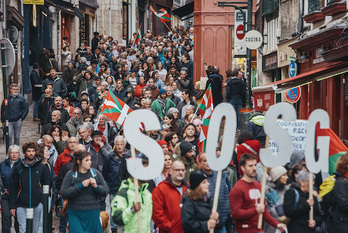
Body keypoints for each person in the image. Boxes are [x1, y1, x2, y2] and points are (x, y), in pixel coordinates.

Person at [229, 154, 287, 233]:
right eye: (250, 166)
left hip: (258, 230)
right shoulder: (237, 189)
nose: (254, 168)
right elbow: (236, 214)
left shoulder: (259, 186)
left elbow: (264, 211)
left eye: (255, 165)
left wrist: (277, 224)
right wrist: (255, 210)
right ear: (242, 168)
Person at [61, 151, 109, 233]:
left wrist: (96, 187)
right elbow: (64, 193)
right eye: (86, 160)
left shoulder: (95, 173)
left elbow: (105, 191)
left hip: (93, 212)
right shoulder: (71, 174)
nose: (90, 162)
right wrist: (80, 186)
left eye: (90, 160)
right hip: (75, 212)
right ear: (79, 161)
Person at [10, 142, 50, 233]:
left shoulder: (42, 167)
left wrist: (43, 202)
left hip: (37, 204)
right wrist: (12, 205)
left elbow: (46, 184)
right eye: (28, 151)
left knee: (34, 230)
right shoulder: (18, 168)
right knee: (23, 229)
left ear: (36, 152)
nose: (31, 153)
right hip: (21, 204)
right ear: (24, 153)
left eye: (33, 151)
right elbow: (13, 187)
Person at [152, 160, 189, 233]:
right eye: (177, 170)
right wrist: (169, 226)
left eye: (182, 170)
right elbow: (157, 212)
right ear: (170, 171)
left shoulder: (189, 188)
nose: (181, 172)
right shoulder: (160, 189)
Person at [198, 152, 230, 232]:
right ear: (200, 163)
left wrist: (225, 216)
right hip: (207, 224)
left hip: (222, 222)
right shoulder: (198, 178)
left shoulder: (219, 176)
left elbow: (226, 196)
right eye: (205, 161)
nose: (208, 163)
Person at [0, 145, 21, 233]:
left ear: (19, 154)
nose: (14, 155)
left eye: (16, 152)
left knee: (18, 217)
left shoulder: (22, 165)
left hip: (18, 195)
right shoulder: (2, 165)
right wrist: (2, 190)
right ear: (8, 154)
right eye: (12, 152)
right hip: (6, 195)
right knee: (5, 216)